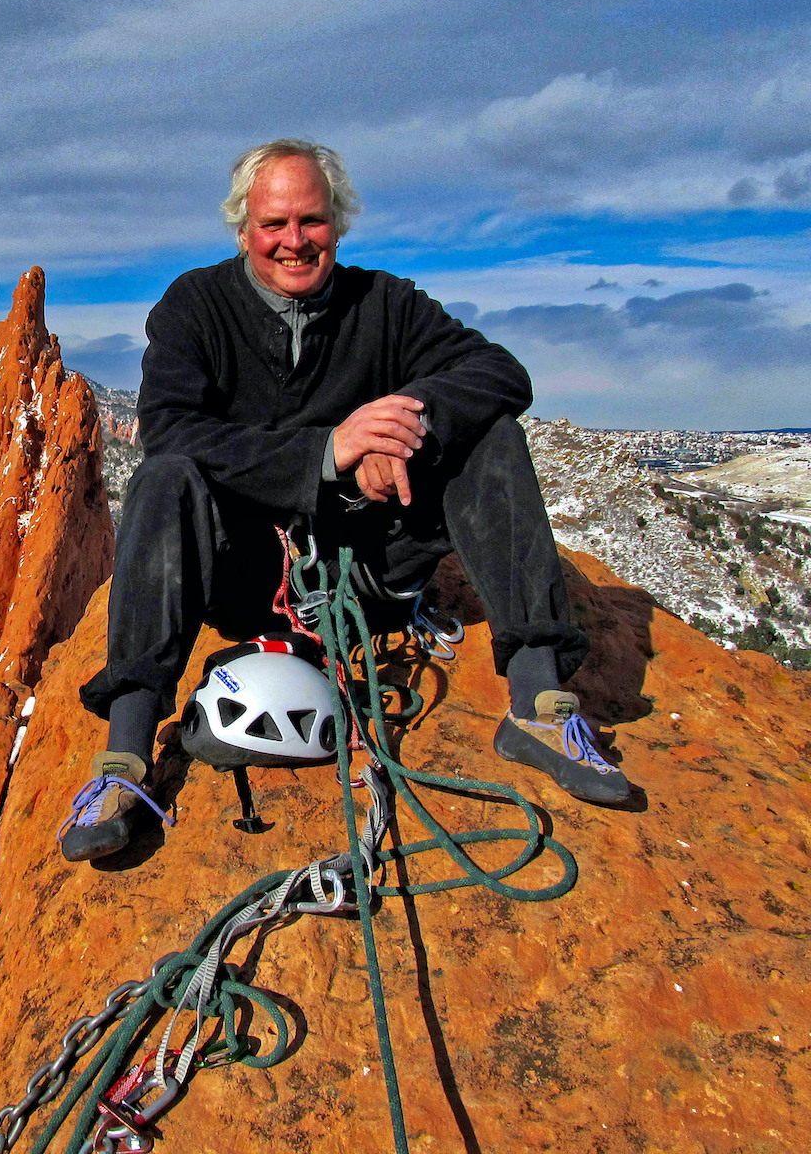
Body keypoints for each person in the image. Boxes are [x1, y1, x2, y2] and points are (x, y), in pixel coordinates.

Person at [59, 139, 630, 862]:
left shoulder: (384, 303)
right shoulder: (196, 305)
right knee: (165, 477)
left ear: (338, 225)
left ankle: (540, 705)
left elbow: (499, 372)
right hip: (249, 576)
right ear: (244, 230)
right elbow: (171, 427)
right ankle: (127, 759)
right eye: (274, 225)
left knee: (491, 438)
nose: (294, 241)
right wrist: (331, 453)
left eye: (312, 221)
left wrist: (403, 426)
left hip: (371, 571)